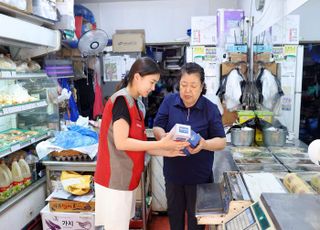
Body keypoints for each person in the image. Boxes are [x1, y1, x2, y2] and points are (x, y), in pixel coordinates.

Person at [94, 57, 189, 230]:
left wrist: (169, 151)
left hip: (126, 181)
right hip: (114, 182)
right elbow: (122, 143)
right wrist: (161, 144)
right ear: (137, 77)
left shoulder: (136, 105)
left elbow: (140, 144)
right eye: (151, 82)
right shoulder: (121, 101)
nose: (153, 88)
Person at [153, 62, 226, 230]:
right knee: (175, 219)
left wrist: (205, 143)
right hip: (173, 176)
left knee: (196, 224)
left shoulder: (210, 109)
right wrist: (163, 137)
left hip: (199, 178)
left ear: (202, 87)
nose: (187, 90)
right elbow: (157, 126)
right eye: (184, 85)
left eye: (193, 85)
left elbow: (221, 141)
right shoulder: (169, 102)